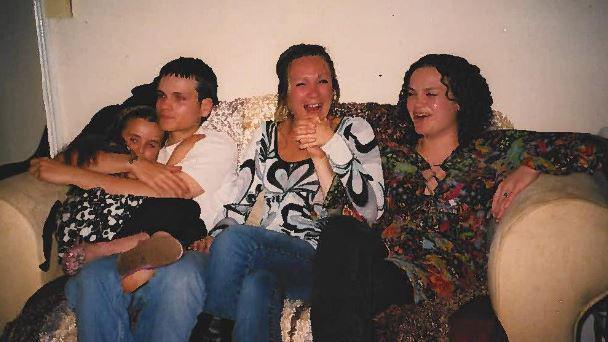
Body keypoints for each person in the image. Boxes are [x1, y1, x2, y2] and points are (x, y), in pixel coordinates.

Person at [311, 53, 608, 341]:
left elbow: (593, 148)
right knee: (340, 233)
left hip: (438, 273)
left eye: (431, 94)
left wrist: (532, 166)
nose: (418, 104)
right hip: (379, 260)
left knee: (350, 289)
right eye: (412, 94)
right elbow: (345, 207)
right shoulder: (391, 156)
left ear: (460, 102)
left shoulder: (490, 151)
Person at [30, 57, 238, 342]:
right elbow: (76, 156)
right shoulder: (148, 144)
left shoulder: (213, 144)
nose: (165, 105)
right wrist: (131, 162)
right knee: (92, 278)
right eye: (162, 96)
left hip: (185, 250)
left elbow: (174, 193)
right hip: (125, 245)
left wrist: (79, 174)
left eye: (179, 98)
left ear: (205, 107)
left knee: (180, 274)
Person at [193, 44, 385, 341]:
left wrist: (329, 146)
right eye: (301, 84)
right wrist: (215, 236)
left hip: (321, 261)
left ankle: (208, 336)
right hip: (267, 256)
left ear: (334, 88)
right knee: (256, 285)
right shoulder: (265, 134)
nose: (314, 93)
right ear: (285, 92)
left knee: (236, 240)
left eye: (323, 81)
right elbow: (241, 200)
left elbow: (370, 212)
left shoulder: (354, 131)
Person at [46, 105, 206, 282]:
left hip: (122, 230)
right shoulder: (101, 152)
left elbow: (168, 190)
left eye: (151, 145)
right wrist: (133, 163)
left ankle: (147, 246)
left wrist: (178, 152)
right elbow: (64, 160)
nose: (139, 150)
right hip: (88, 230)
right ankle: (112, 250)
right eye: (134, 140)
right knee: (182, 209)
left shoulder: (150, 171)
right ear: (118, 137)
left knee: (190, 214)